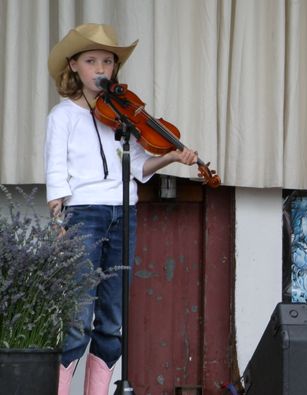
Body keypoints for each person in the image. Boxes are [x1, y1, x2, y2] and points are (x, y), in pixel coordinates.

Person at [45, 23, 198, 395]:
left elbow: (140, 166)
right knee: (78, 317)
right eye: (92, 60)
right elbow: (55, 169)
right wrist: (56, 219)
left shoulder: (123, 118)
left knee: (112, 319)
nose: (101, 68)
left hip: (123, 212)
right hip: (84, 214)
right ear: (75, 67)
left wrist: (171, 157)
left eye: (108, 62)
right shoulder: (62, 116)